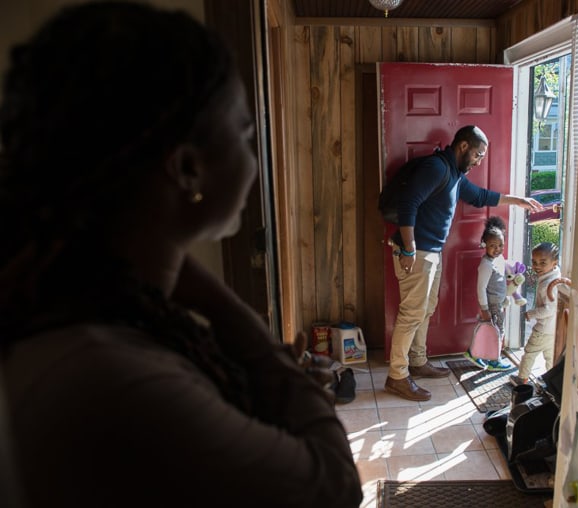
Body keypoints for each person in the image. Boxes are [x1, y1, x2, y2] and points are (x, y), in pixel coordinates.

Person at [0, 3, 362, 507]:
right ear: (189, 168)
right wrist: (230, 312)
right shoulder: (110, 377)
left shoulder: (110, 313)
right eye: (244, 134)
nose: (254, 157)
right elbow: (335, 489)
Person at [385, 125, 543, 401]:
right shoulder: (437, 168)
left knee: (426, 308)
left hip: (431, 252)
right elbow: (408, 204)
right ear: (462, 147)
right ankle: (397, 376)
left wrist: (518, 201)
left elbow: (481, 197)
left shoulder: (455, 175)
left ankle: (418, 361)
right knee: (412, 313)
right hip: (417, 252)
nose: (479, 161)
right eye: (478, 155)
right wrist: (409, 250)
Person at [463, 215, 518, 371]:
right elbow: (481, 288)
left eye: (501, 245)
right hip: (492, 306)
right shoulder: (486, 264)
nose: (497, 249)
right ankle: (494, 360)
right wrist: (485, 309)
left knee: (487, 330)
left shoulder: (498, 259)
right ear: (484, 244)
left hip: (498, 303)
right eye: (493, 245)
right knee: (497, 331)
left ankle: (473, 353)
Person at [511, 242, 562, 386]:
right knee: (549, 356)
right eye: (534, 262)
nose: (537, 266)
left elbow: (550, 309)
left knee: (529, 353)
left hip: (543, 329)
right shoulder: (553, 275)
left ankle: (522, 378)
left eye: (542, 262)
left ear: (554, 263)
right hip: (552, 329)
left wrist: (531, 314)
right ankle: (550, 381)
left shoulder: (549, 284)